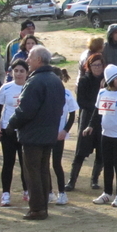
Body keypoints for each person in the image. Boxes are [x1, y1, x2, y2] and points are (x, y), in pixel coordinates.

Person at [6, 46, 65, 220]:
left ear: (38, 60)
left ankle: (37, 209)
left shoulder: (35, 81)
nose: (27, 60)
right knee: (43, 170)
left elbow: (25, 110)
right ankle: (43, 206)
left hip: (33, 134)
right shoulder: (56, 80)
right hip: (49, 133)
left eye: (30, 57)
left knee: (33, 172)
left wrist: (11, 125)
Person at [85, 64, 117, 207]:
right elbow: (97, 112)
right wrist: (90, 126)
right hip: (106, 134)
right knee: (107, 164)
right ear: (110, 80)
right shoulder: (102, 93)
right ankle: (107, 193)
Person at [65, 53, 105, 192]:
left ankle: (94, 180)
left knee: (101, 151)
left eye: (99, 65)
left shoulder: (107, 81)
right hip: (87, 117)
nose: (97, 68)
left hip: (103, 119)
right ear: (89, 66)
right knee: (81, 151)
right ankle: (72, 180)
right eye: (94, 65)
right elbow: (81, 102)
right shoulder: (83, 80)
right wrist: (96, 106)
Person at [0, 59, 29, 207]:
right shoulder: (5, 88)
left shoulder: (30, 87)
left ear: (27, 73)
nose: (19, 74)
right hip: (8, 131)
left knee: (25, 163)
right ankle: (5, 194)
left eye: (22, 71)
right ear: (11, 72)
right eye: (16, 71)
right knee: (8, 163)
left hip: (25, 131)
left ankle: (27, 191)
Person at [49, 67, 77, 206]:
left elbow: (72, 114)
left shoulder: (67, 94)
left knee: (56, 163)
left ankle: (62, 193)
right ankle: (48, 192)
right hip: (45, 134)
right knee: (44, 164)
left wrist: (65, 131)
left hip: (59, 134)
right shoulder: (45, 92)